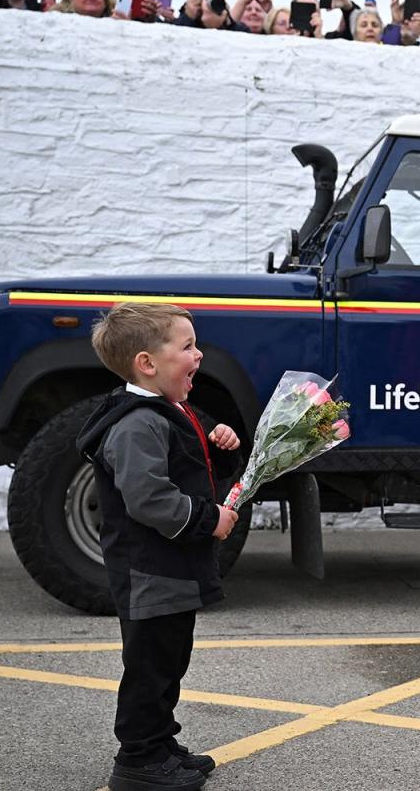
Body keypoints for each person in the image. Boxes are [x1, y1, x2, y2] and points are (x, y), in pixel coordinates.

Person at [77, 303, 242, 791]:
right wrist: (212, 520)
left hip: (171, 569)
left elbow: (185, 466)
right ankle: (139, 762)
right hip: (150, 572)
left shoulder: (167, 411)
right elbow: (149, 497)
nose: (199, 355)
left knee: (169, 662)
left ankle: (161, 744)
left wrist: (218, 446)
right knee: (149, 670)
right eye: (188, 346)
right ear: (147, 364)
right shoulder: (136, 423)